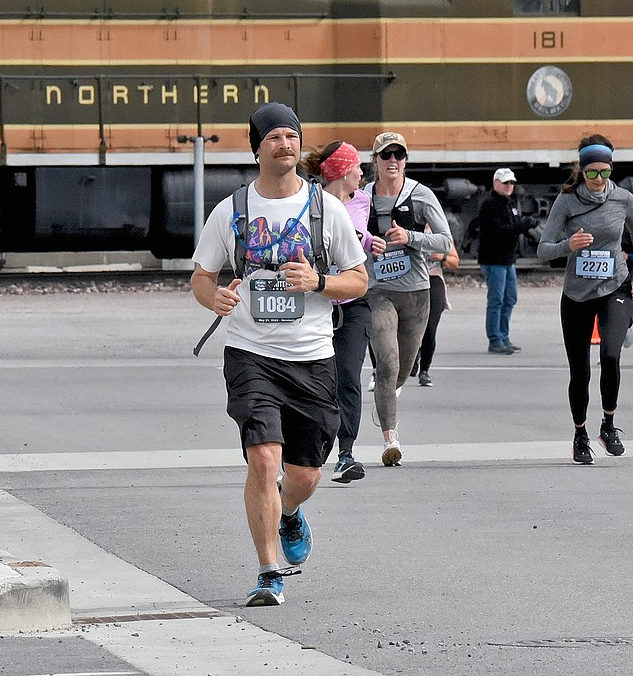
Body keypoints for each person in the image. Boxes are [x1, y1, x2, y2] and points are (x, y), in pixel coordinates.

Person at [190, 103, 368, 607]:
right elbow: (201, 278)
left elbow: (359, 279)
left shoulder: (324, 209)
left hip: (312, 357)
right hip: (251, 354)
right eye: (274, 137)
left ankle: (290, 511)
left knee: (305, 475)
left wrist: (320, 281)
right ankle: (269, 572)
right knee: (264, 458)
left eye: (292, 136)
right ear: (257, 147)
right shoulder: (231, 211)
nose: (285, 144)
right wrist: (215, 297)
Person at [537, 135, 633, 464]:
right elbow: (543, 250)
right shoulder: (567, 202)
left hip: (614, 286)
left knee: (611, 355)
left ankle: (609, 426)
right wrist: (567, 246)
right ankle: (580, 434)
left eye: (605, 172)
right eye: (592, 173)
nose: (599, 180)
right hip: (576, 294)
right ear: (581, 171)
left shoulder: (624, 199)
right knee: (580, 372)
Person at [363, 131, 453, 466]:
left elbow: (445, 242)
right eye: (386, 155)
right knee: (386, 363)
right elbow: (343, 234)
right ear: (375, 161)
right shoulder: (362, 198)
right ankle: (391, 439)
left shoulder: (421, 195)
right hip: (377, 292)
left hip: (416, 294)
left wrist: (410, 237)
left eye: (399, 155)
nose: (393, 162)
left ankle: (385, 402)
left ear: (405, 161)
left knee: (402, 370)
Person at [301, 141, 375, 484]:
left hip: (353, 303)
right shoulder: (309, 202)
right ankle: (305, 454)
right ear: (343, 171)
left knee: (348, 378)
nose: (363, 172)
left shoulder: (363, 199)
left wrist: (373, 241)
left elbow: (359, 237)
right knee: (317, 382)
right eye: (358, 167)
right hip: (315, 304)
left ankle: (346, 454)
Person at [476, 167, 536, 354]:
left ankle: (504, 336)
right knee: (496, 299)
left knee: (509, 298)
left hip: (507, 259)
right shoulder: (489, 205)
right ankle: (495, 339)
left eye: (512, 183)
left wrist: (530, 228)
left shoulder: (510, 203)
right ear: (496, 184)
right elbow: (497, 231)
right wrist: (522, 225)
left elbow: (514, 226)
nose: (510, 186)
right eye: (506, 183)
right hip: (494, 259)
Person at [414, 237, 459, 386]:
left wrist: (443, 256)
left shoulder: (439, 231)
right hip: (410, 280)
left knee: (430, 327)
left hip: (433, 277)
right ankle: (412, 356)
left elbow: (454, 262)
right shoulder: (405, 226)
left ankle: (425, 370)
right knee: (410, 326)